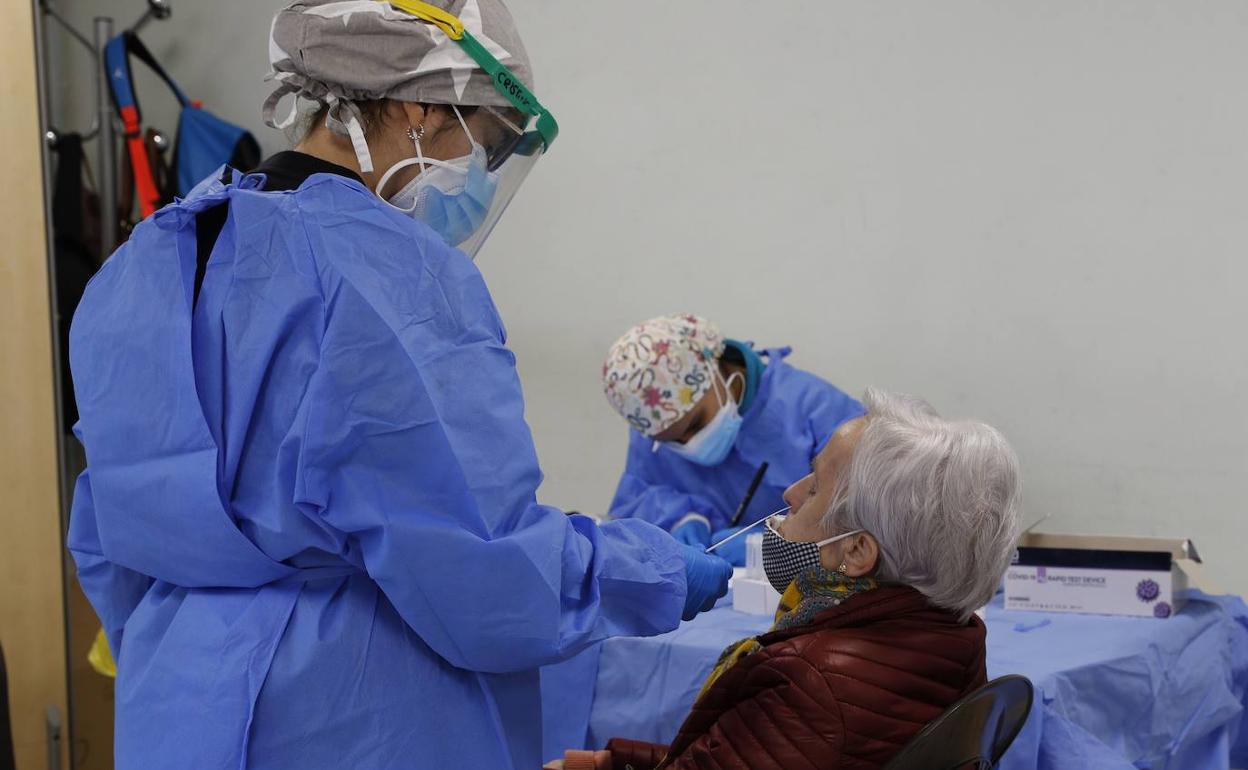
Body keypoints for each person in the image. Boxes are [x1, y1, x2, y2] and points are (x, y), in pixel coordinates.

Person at [65, 2, 730, 769]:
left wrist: (198, 643)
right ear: (420, 105)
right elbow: (479, 567)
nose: (479, 173)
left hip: (174, 701)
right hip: (352, 713)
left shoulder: (144, 260)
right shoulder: (392, 278)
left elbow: (106, 538)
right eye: (485, 142)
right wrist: (651, 571)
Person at [554, 388, 1022, 770]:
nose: (790, 493)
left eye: (815, 487)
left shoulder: (809, 679)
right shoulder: (954, 635)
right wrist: (619, 762)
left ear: (857, 550)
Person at [602, 314, 864, 564]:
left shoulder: (814, 409)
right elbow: (636, 498)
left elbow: (870, 513)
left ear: (718, 371)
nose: (691, 444)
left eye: (696, 423)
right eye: (674, 442)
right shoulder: (654, 421)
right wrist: (682, 518)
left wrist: (786, 542)